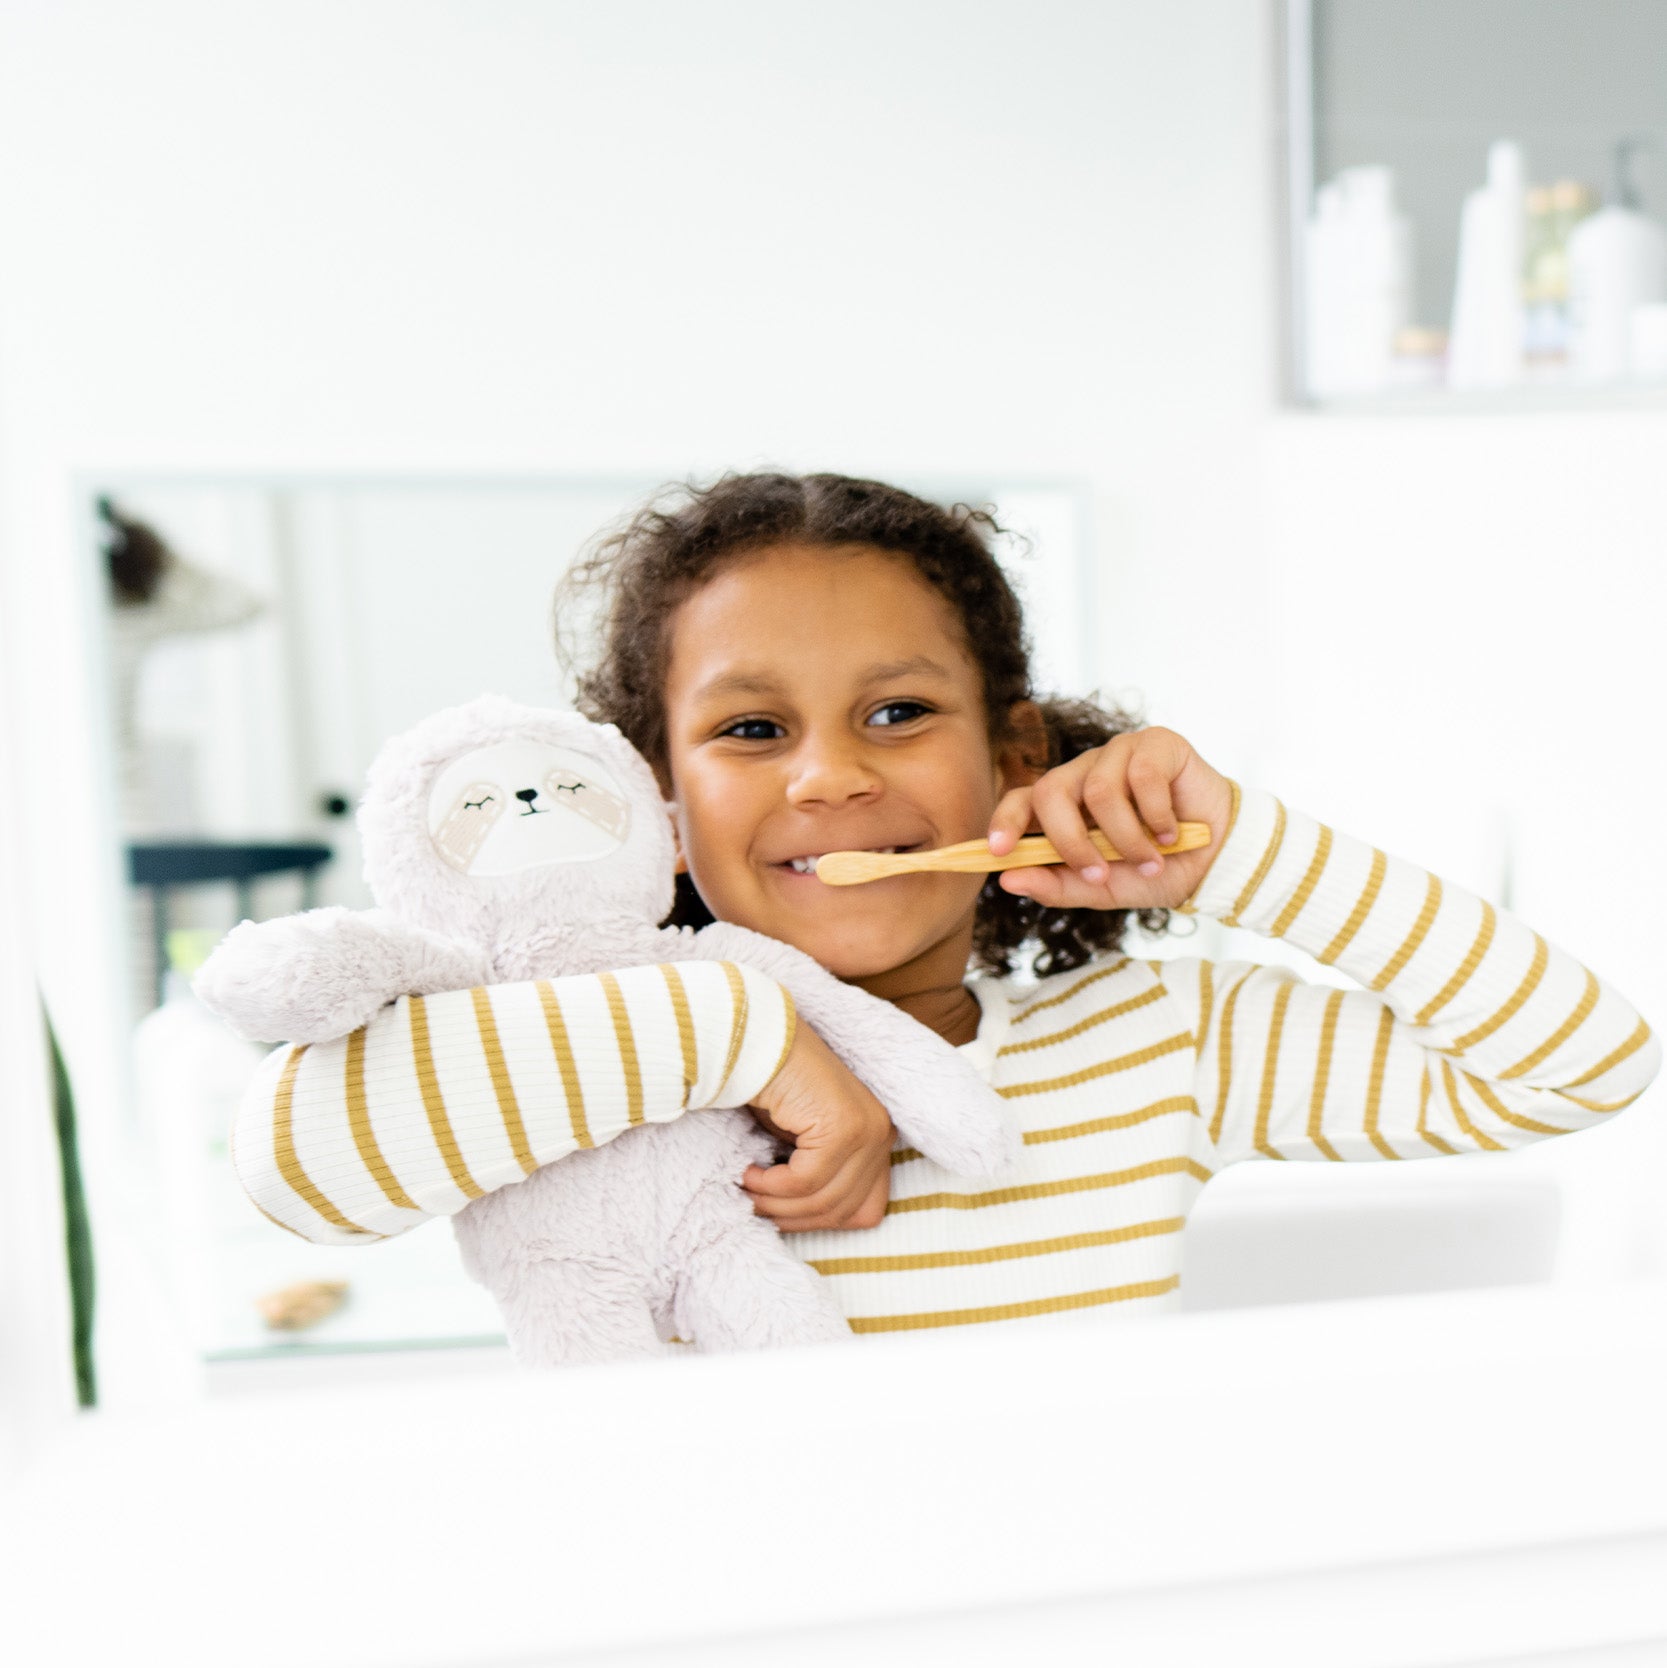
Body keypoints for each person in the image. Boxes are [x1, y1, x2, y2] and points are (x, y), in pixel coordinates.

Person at [253, 471, 1661, 1337]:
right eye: (752, 731)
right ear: (657, 812)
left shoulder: (1160, 1041)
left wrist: (1248, 851)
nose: (828, 775)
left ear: (1014, 761)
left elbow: (1590, 1066)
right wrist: (755, 1046)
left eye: (897, 711)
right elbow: (298, 1174)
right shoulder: (577, 1065)